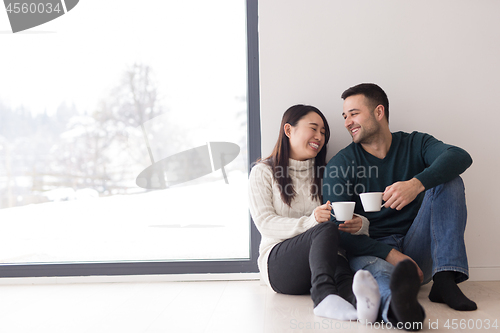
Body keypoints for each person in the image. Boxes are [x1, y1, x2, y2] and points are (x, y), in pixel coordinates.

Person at [323, 83, 476, 330]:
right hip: (372, 250)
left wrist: (416, 184)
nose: (347, 122)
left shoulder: (415, 143)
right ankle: (399, 309)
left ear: (379, 112)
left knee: (450, 180)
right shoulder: (341, 164)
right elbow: (335, 227)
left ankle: (445, 279)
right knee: (380, 275)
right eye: (344, 116)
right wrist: (391, 254)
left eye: (354, 113)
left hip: (419, 249)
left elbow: (460, 156)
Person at [248, 104, 381, 323]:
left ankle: (363, 306)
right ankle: (323, 297)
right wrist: (311, 221)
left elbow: (346, 212)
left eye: (323, 132)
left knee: (341, 266)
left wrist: (360, 224)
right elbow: (265, 223)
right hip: (280, 266)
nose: (319, 137)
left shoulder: (329, 173)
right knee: (324, 229)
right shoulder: (263, 172)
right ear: (289, 130)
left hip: (324, 264)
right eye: (314, 129)